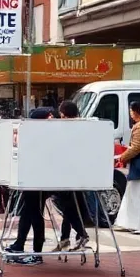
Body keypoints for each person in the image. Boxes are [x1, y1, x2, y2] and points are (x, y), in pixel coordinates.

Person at [4, 105, 55, 266]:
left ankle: (37, 252)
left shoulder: (40, 136)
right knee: (28, 212)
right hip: (33, 179)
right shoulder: (42, 135)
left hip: (37, 181)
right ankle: (20, 244)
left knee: (35, 214)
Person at [52, 99, 90, 253]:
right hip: (78, 172)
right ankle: (65, 238)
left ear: (64, 114)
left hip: (67, 173)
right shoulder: (83, 126)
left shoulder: (67, 128)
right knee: (70, 205)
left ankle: (81, 234)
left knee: (66, 205)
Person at [114, 101, 140, 234]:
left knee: (137, 194)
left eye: (131, 111)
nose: (130, 114)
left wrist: (122, 157)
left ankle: (139, 224)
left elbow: (136, 147)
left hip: (139, 162)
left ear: (135, 111)